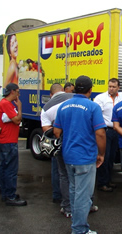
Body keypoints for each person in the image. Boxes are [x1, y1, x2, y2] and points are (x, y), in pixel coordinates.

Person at [54, 75, 106, 234]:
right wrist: (101, 154)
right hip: (85, 158)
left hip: (68, 156)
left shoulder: (63, 106)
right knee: (84, 196)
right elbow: (101, 134)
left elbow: (57, 132)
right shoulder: (92, 107)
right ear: (90, 90)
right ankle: (79, 230)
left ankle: (77, 227)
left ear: (75, 88)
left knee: (74, 192)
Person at [41, 83, 74, 217]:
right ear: (63, 90)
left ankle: (61, 201)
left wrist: (59, 133)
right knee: (78, 174)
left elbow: (46, 130)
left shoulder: (46, 108)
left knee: (62, 174)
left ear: (51, 94)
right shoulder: (73, 98)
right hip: (76, 141)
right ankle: (83, 203)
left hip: (60, 142)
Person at [0, 83, 27, 206]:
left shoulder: (4, 104)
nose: (19, 94)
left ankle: (6, 193)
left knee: (4, 168)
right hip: (8, 141)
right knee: (11, 170)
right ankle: (10, 196)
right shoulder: (6, 104)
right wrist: (19, 107)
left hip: (5, 140)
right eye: (18, 92)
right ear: (12, 92)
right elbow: (17, 120)